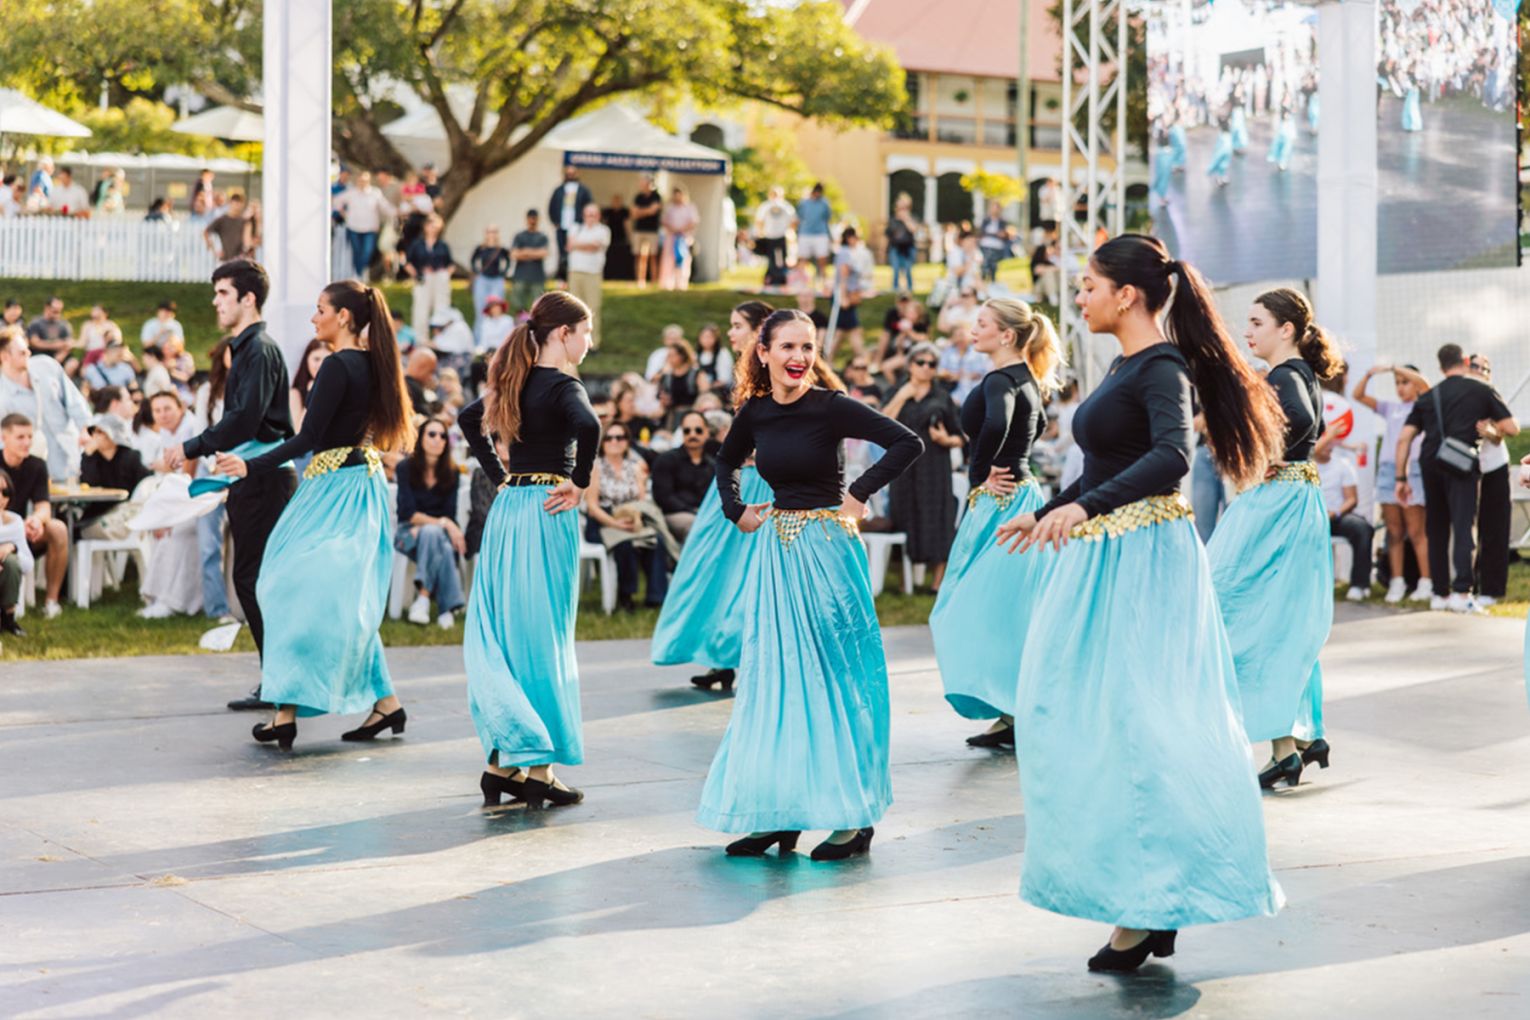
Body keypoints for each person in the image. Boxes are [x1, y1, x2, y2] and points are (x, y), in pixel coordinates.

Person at [994, 235, 1284, 972]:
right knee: (1088, 721)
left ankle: (1151, 902)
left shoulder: (1161, 367)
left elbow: (1173, 457)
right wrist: (1051, 507)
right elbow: (1104, 462)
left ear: (1127, 294)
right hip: (1109, 557)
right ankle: (1144, 898)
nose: (1080, 296)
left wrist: (1085, 508)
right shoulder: (1128, 365)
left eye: (1089, 284)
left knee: (1137, 725)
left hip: (1142, 560)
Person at [698, 308, 921, 861]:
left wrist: (860, 493)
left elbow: (906, 442)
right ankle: (779, 812)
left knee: (835, 678)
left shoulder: (831, 405)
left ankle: (853, 815)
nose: (799, 358)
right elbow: (725, 461)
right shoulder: (756, 412)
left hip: (828, 550)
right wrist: (735, 509)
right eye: (788, 347)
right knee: (777, 680)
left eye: (809, 347)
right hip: (777, 552)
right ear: (764, 353)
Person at [213, 281, 415, 750]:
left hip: (336, 490)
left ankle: (286, 710)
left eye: (320, 309)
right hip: (356, 486)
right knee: (339, 602)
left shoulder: (339, 365)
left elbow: (307, 439)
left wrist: (250, 463)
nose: (313, 318)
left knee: (280, 586)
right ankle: (380, 703)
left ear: (343, 316)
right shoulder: (372, 363)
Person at [457, 290, 601, 809]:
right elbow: (590, 426)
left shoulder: (512, 382)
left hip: (510, 510)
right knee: (543, 635)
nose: (589, 342)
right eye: (585, 332)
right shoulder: (563, 385)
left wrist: (501, 476)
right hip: (547, 509)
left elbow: (467, 419)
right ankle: (538, 767)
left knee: (510, 633)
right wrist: (579, 482)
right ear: (563, 334)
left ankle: (501, 764)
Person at [1207, 289, 1343, 790]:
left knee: (1231, 607)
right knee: (1281, 616)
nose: (1248, 331)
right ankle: (1295, 740)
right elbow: (1310, 429)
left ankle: (1287, 741)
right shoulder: (1302, 374)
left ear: (1286, 329)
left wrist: (1266, 453)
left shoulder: (1284, 377)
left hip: (1274, 504)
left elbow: (1297, 427)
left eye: (1256, 321)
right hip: (1294, 500)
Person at [164, 260, 298, 712]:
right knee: (254, 578)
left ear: (249, 299)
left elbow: (245, 417)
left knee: (254, 578)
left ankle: (281, 682)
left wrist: (192, 446)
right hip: (251, 473)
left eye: (223, 292)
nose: (216, 301)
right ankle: (277, 680)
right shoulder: (246, 348)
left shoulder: (258, 348)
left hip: (264, 477)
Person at [930, 299, 1062, 749]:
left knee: (964, 607)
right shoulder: (1028, 378)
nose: (973, 330)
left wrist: (979, 474)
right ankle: (1009, 712)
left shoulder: (1000, 380)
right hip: (1022, 496)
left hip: (1001, 503)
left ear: (1006, 335)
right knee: (1007, 610)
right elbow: (1034, 423)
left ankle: (1014, 707)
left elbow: (997, 423)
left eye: (982, 324)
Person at [651, 301, 777, 690]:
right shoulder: (746, 375)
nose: (731, 333)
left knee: (748, 575)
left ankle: (736, 653)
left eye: (738, 325)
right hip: (736, 480)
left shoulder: (775, 372)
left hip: (763, 484)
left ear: (760, 330)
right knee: (705, 567)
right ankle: (716, 653)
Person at [1396, 343, 1519, 613]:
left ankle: (1439, 594)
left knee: (1436, 528)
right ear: (1464, 360)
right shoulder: (1481, 389)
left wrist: (1400, 478)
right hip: (1461, 464)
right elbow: (1511, 428)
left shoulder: (1429, 396)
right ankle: (1462, 593)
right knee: (1464, 526)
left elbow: (1404, 438)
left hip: (1431, 462)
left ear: (1440, 367)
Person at [884, 342, 963, 592]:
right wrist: (901, 396)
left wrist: (946, 440)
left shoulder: (941, 397)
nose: (927, 368)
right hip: (903, 466)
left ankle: (936, 582)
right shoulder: (898, 391)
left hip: (934, 464)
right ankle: (905, 580)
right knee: (903, 515)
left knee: (939, 518)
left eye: (932, 364)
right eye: (921, 363)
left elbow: (960, 435)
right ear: (910, 365)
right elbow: (881, 424)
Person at [1352, 362, 1432, 604]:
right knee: (1394, 530)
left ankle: (1426, 582)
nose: (1400, 387)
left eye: (1405, 382)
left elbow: (1426, 385)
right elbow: (1358, 395)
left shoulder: (1424, 405)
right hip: (1388, 471)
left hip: (1414, 469)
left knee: (1417, 531)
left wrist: (1396, 368)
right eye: (1397, 383)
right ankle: (1397, 581)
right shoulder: (1390, 408)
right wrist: (1369, 373)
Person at [585, 422, 676, 610]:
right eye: (610, 438)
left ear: (627, 442)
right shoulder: (596, 467)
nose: (615, 442)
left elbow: (641, 500)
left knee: (655, 541)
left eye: (620, 437)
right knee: (624, 544)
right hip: (604, 520)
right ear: (603, 442)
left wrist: (634, 518)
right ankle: (626, 596)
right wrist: (616, 524)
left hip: (632, 515)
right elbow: (592, 507)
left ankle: (656, 597)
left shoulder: (634, 466)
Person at [137, 391, 204, 619]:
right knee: (159, 532)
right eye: (157, 410)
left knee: (176, 533)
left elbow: (187, 476)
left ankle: (175, 600)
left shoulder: (192, 430)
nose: (162, 415)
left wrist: (166, 467)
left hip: (199, 497)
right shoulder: (165, 433)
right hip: (178, 499)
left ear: (180, 408)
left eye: (167, 409)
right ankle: (159, 596)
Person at [0, 328, 92, 484]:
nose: (29, 354)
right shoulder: (2, 395)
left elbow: (74, 400)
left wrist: (86, 429)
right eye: (22, 352)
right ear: (5, 357)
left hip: (73, 453)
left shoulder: (46, 365)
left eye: (28, 349)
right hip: (35, 467)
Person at [0, 414, 70, 619]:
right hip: (3, 529)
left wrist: (36, 520)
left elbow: (43, 506)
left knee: (58, 529)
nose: (27, 442)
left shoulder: (37, 465)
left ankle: (51, 602)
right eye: (20, 437)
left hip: (22, 531)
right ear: (4, 438)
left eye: (30, 437)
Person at [193, 340, 235, 624]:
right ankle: (217, 609)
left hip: (244, 471)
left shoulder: (255, 390)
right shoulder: (208, 392)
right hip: (210, 472)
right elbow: (200, 434)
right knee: (210, 545)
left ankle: (249, 608)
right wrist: (214, 464)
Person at [1468, 355, 1512, 607]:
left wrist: (1491, 432)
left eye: (1484, 368)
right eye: (1474, 366)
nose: (1479, 371)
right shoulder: (1462, 396)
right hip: (1469, 470)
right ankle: (1468, 586)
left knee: (1494, 528)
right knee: (1471, 530)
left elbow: (1508, 429)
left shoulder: (1491, 396)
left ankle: (1492, 589)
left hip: (1494, 468)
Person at [1316, 439, 1373, 602]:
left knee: (1362, 528)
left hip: (1337, 516)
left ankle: (1359, 584)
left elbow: (1351, 499)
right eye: (1325, 443)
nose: (1329, 447)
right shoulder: (1306, 465)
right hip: (1312, 517)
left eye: (1330, 444)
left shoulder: (1342, 465)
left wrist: (1335, 513)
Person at [651, 411, 715, 541]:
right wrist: (691, 511)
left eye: (698, 430)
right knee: (695, 525)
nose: (692, 434)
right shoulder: (666, 460)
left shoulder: (713, 464)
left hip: (705, 513)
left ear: (707, 432)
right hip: (676, 515)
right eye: (687, 431)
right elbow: (663, 497)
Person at [334, 171, 396, 282]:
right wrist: (343, 213)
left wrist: (398, 212)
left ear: (369, 181)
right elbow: (336, 201)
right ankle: (359, 276)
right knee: (357, 252)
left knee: (367, 252)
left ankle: (361, 272)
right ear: (357, 181)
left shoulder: (375, 193)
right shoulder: (351, 192)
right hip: (353, 227)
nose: (362, 182)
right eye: (360, 180)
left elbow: (385, 207)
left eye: (365, 180)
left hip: (370, 228)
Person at [566, 203, 610, 350]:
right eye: (587, 214)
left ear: (598, 216)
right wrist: (584, 245)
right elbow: (570, 245)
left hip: (592, 273)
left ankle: (593, 343)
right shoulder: (576, 228)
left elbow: (594, 247)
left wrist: (578, 245)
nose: (590, 217)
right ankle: (575, 341)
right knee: (574, 310)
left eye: (593, 214)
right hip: (575, 272)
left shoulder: (603, 230)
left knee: (592, 309)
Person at [405, 214, 453, 345]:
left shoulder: (443, 245)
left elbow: (450, 264)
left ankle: (442, 341)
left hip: (439, 278)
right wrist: (416, 275)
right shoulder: (417, 244)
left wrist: (445, 276)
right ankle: (421, 341)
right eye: (430, 224)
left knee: (441, 309)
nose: (433, 227)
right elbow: (408, 263)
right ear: (425, 226)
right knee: (421, 310)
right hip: (423, 278)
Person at [548, 166, 594, 285]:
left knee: (573, 252)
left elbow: (589, 206)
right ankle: (561, 278)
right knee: (561, 252)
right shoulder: (559, 190)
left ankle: (572, 278)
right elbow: (551, 207)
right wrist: (555, 222)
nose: (570, 175)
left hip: (576, 227)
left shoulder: (583, 190)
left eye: (572, 173)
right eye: (568, 173)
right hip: (561, 227)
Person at [0, 468, 33, 636]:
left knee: (12, 562)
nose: (0, 498)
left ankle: (8, 617)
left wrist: (13, 547)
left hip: (6, 575)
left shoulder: (15, 522)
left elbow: (28, 565)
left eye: (4, 492)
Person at [831, 227, 871, 356]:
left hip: (849, 295)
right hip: (845, 295)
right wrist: (843, 297)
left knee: (841, 332)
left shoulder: (849, 252)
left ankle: (828, 360)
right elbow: (844, 276)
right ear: (849, 238)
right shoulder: (845, 253)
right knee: (854, 330)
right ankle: (863, 358)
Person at [469, 225, 510, 343]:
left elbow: (507, 262)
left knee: (497, 309)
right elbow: (473, 261)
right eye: (489, 232)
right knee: (481, 311)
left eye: (494, 232)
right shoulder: (481, 248)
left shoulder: (501, 249)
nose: (491, 234)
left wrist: (503, 273)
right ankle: (479, 342)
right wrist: (477, 272)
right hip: (483, 280)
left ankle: (498, 341)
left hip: (496, 280)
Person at [935, 323, 992, 405]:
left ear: (969, 335)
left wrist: (966, 376)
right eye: (956, 336)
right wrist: (952, 375)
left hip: (974, 394)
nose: (959, 339)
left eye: (962, 335)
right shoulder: (948, 352)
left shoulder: (978, 352)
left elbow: (983, 373)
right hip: (953, 394)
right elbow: (939, 371)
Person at [509, 209, 550, 314]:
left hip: (537, 276)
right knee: (518, 305)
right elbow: (514, 254)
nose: (532, 221)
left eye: (534, 218)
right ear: (526, 219)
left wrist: (525, 252)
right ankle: (521, 324)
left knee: (538, 306)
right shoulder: (519, 236)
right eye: (531, 218)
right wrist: (534, 253)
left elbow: (544, 253)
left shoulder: (542, 236)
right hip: (520, 276)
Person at [659, 186, 699, 291]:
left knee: (683, 260)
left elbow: (693, 222)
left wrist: (682, 229)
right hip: (671, 238)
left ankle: (681, 283)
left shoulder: (690, 207)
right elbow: (664, 221)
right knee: (669, 261)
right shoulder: (670, 208)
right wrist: (673, 229)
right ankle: (668, 283)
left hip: (684, 238)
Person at [753, 185, 794, 287]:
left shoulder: (786, 206)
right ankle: (771, 278)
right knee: (772, 259)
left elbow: (793, 221)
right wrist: (760, 232)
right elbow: (759, 221)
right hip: (769, 236)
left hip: (780, 236)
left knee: (779, 260)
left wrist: (789, 231)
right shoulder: (766, 206)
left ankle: (778, 279)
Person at [289, 338, 331, 434]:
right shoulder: (295, 394)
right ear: (307, 360)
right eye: (316, 359)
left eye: (327, 360)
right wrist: (313, 394)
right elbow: (298, 432)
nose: (321, 364)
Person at [795, 183, 833, 289]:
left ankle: (824, 282)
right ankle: (800, 281)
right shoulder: (804, 203)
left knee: (822, 259)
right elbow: (799, 217)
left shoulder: (825, 203)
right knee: (803, 258)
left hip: (820, 234)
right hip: (805, 233)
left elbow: (827, 218)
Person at [631, 177, 663, 288]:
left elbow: (653, 210)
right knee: (639, 256)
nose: (642, 186)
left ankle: (654, 281)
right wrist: (647, 211)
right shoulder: (638, 197)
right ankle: (640, 281)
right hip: (639, 230)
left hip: (652, 231)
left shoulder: (656, 197)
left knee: (653, 256)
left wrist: (641, 211)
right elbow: (634, 214)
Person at [25, 297, 75, 363]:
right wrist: (56, 345)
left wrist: (62, 354)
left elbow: (70, 342)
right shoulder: (36, 323)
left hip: (60, 356)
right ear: (47, 308)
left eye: (59, 311)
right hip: (40, 356)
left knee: (73, 363)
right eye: (55, 311)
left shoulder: (64, 324)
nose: (57, 314)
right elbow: (35, 343)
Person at [204, 194, 252, 263]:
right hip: (225, 260)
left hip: (240, 260)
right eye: (236, 203)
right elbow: (206, 232)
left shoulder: (245, 222)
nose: (237, 206)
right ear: (230, 203)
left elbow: (247, 242)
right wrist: (214, 251)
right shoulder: (222, 220)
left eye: (240, 204)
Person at [693, 323, 733, 398]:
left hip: (718, 392)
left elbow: (724, 380)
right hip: (698, 392)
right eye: (704, 337)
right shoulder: (695, 354)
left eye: (709, 337)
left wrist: (708, 387)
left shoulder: (722, 353)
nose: (706, 340)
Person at [602, 193, 634, 280]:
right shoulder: (608, 212)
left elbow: (627, 225)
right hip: (610, 238)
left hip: (621, 238)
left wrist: (630, 238)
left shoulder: (624, 212)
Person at [405, 348, 442, 418]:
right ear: (421, 367)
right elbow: (428, 418)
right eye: (430, 371)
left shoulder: (402, 383)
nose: (431, 377)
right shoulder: (413, 388)